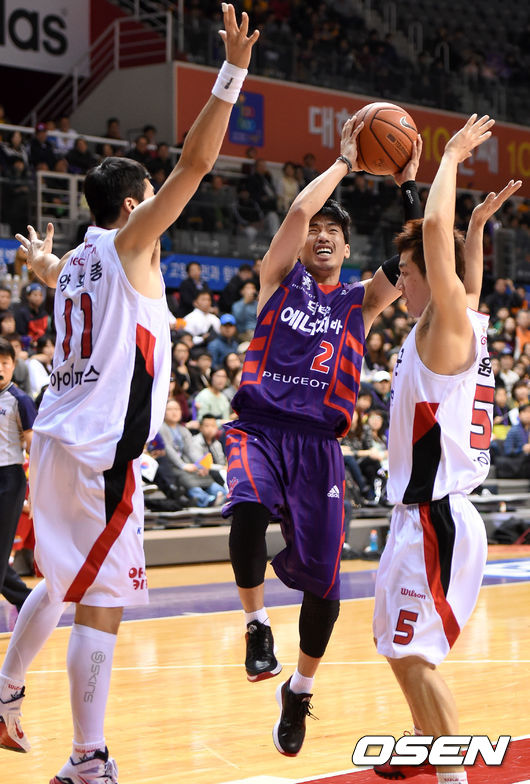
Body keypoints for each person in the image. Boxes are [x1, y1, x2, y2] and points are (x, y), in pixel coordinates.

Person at [0, 7, 258, 782]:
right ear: (131, 204)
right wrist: (232, 73)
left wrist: (41, 265)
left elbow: (58, 276)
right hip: (100, 450)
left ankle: (5, 691)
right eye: (149, 196)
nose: (159, 206)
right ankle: (88, 759)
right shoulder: (130, 240)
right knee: (101, 601)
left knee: (62, 582)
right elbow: (196, 164)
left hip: (57, 441)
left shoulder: (81, 262)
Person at [222, 116, 423, 757]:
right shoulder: (278, 278)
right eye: (316, 230)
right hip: (259, 426)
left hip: (319, 447)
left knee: (325, 588)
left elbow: (418, 252)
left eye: (334, 231)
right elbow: (299, 211)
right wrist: (344, 162)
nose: (322, 236)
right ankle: (256, 626)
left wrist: (408, 185)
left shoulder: (360, 302)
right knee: (246, 509)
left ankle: (300, 691)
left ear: (348, 246)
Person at [372, 116, 521, 783]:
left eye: (406, 274)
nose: (399, 284)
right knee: (395, 647)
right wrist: (477, 229)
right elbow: (462, 268)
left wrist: (452, 155)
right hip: (421, 516)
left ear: (434, 279)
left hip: (438, 519)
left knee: (414, 656)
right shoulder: (461, 323)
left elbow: (435, 233)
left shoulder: (444, 330)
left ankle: (453, 775)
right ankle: (422, 744)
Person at [0, 338, 34, 617]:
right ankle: (29, 601)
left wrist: (37, 491)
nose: (0, 368)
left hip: (9, 479)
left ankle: (29, 602)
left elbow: (34, 448)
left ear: (13, 365)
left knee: (0, 550)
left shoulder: (20, 400)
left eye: (5, 363)